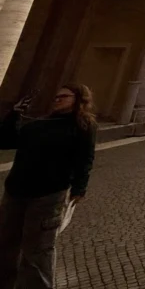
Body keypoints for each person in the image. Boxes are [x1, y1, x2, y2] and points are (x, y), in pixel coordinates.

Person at [0, 84, 97, 289]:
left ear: (78, 99)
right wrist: (14, 114)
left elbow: (85, 158)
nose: (57, 99)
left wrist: (80, 188)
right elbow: (5, 140)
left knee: (38, 249)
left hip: (48, 195)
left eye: (64, 96)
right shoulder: (39, 124)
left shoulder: (83, 126)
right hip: (16, 191)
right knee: (6, 242)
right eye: (56, 96)